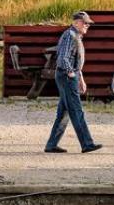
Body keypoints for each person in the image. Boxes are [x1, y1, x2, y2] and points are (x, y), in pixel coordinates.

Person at [44, 11, 103, 154]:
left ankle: (51, 145)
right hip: (66, 77)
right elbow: (63, 58)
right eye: (85, 22)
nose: (87, 25)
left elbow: (73, 59)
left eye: (88, 23)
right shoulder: (70, 36)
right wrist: (71, 73)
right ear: (76, 22)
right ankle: (87, 144)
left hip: (69, 76)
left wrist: (80, 77)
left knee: (64, 112)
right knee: (76, 111)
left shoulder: (75, 35)